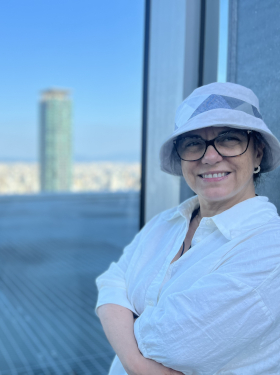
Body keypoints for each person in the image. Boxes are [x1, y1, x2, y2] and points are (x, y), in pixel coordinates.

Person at [95, 82, 280, 375]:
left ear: (257, 152)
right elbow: (110, 284)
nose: (209, 156)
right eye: (193, 142)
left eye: (229, 138)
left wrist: (128, 346)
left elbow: (174, 344)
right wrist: (136, 362)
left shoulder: (270, 248)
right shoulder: (166, 222)